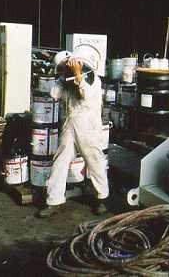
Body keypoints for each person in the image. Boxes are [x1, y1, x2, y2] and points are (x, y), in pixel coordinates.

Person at [38, 51, 109, 217]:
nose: (67, 70)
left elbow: (84, 95)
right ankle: (53, 200)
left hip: (88, 126)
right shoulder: (65, 82)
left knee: (95, 161)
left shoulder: (94, 80)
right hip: (70, 124)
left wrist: (77, 75)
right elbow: (54, 94)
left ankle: (102, 199)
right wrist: (64, 77)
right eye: (63, 68)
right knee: (60, 161)